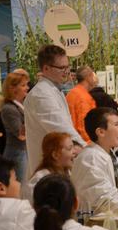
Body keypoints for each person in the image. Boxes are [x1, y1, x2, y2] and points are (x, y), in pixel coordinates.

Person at [24, 45, 86, 178]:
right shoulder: (41, 94)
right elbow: (62, 129)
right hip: (47, 174)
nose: (66, 71)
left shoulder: (54, 90)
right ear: (46, 68)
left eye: (67, 67)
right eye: (62, 68)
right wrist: (89, 151)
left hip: (57, 169)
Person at [22, 132, 75, 204]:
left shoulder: (67, 173)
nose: (74, 152)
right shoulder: (40, 180)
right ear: (55, 155)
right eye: (69, 148)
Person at [1, 72, 29, 183]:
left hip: (23, 151)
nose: (27, 88)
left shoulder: (21, 105)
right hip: (16, 153)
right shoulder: (9, 109)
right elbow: (21, 135)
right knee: (19, 188)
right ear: (12, 88)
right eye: (23, 85)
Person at [66, 66, 97, 143]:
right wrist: (90, 144)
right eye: (92, 76)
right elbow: (85, 126)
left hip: (71, 140)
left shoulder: (70, 94)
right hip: (82, 143)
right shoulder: (84, 98)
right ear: (88, 77)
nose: (94, 79)